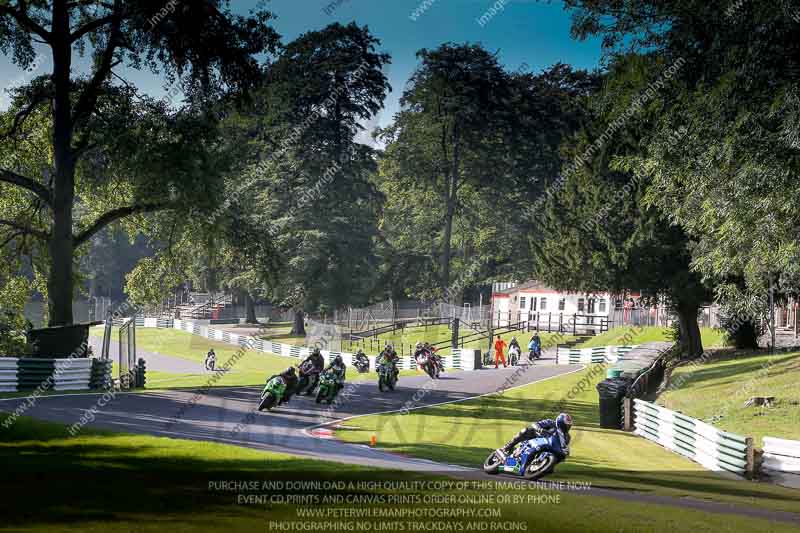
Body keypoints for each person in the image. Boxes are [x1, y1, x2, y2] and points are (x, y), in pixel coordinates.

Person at [500, 413, 573, 458]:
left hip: (549, 448)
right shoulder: (550, 422)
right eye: (566, 425)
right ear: (560, 423)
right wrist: (539, 429)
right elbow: (535, 424)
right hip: (536, 438)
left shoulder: (567, 437)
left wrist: (566, 451)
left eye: (569, 426)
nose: (567, 427)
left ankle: (544, 465)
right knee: (526, 430)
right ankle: (507, 447)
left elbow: (564, 447)